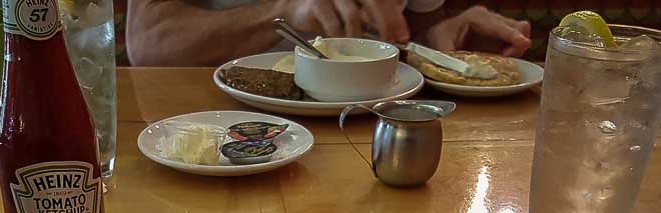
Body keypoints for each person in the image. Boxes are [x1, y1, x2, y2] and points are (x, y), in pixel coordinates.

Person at [126, 1, 531, 67]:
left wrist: (448, 39)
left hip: (365, 139)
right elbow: (149, 41)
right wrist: (288, 10)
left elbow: (411, 37)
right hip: (223, 141)